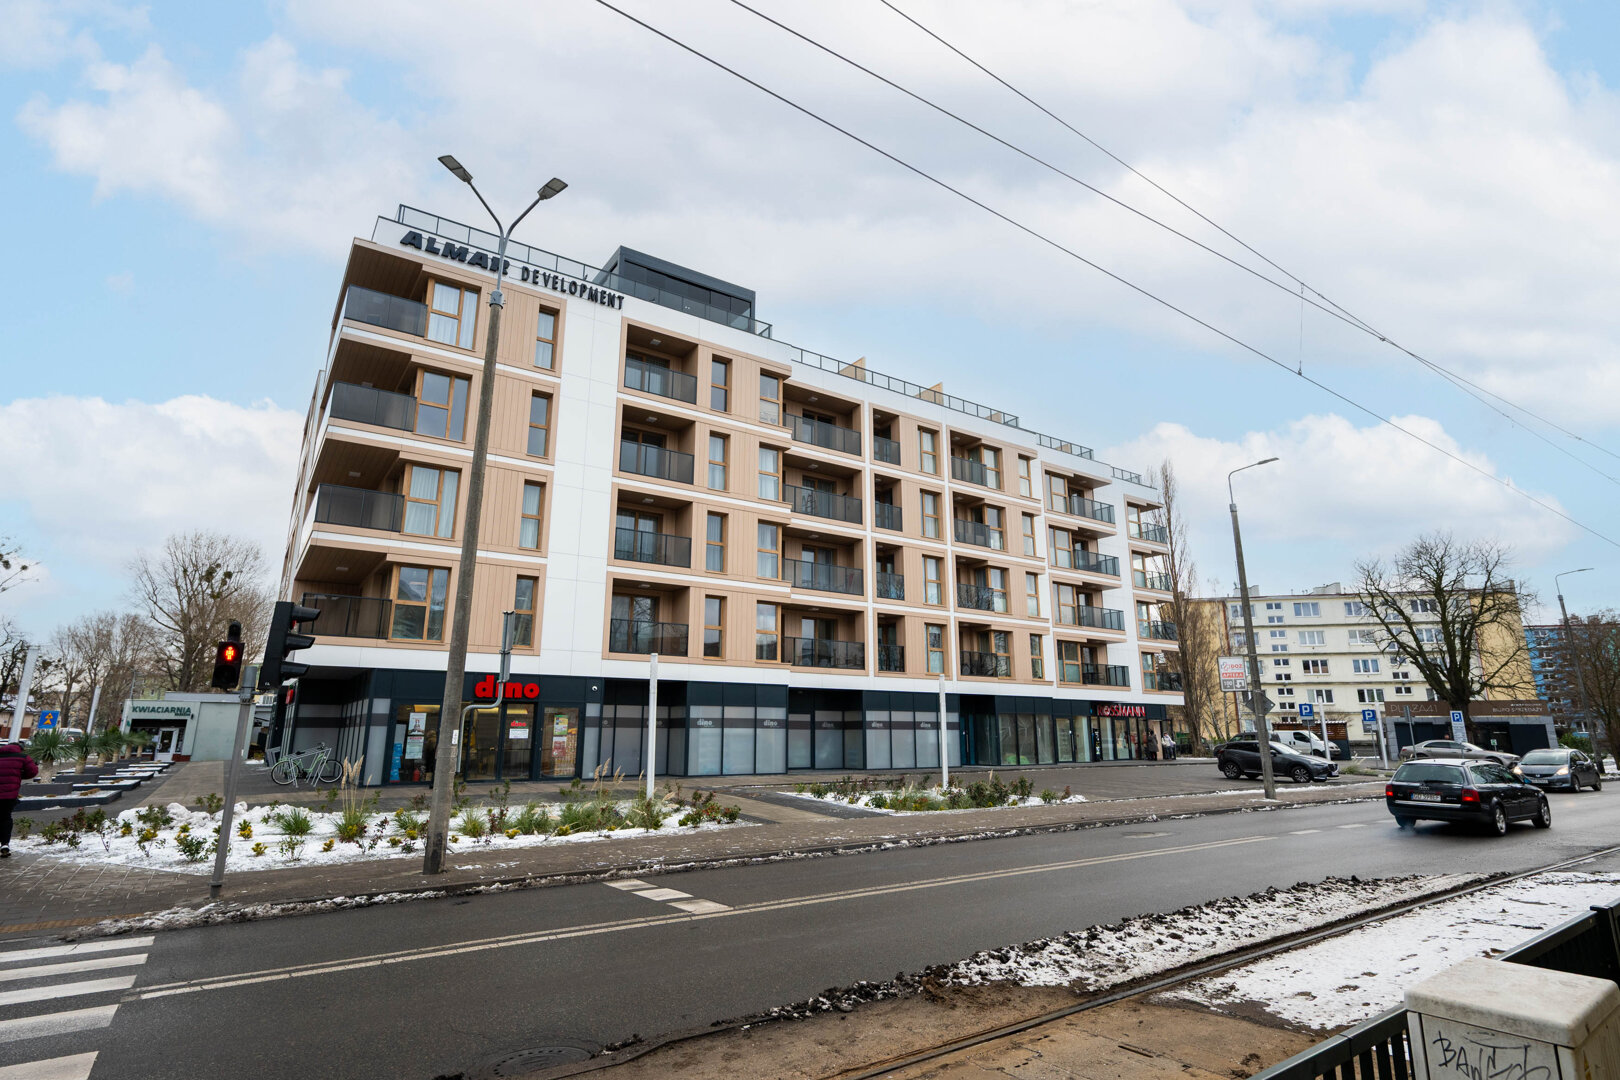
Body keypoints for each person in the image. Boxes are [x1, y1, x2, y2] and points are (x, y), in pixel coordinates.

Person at [0, 740, 40, 858]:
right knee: (5, 817)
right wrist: (19, 775)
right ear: (20, 749)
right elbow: (33, 771)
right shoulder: (23, 757)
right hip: (9, 795)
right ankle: (4, 844)